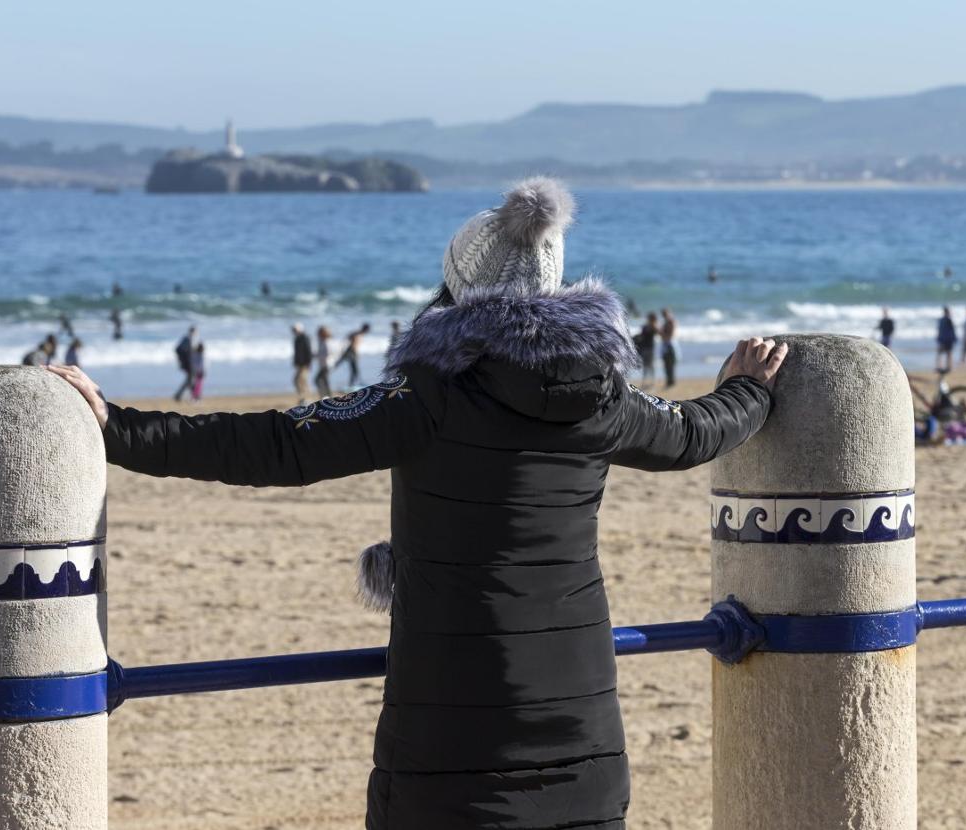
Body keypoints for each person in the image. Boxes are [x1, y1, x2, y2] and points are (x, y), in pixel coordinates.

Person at [48, 177, 785, 830]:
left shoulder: (428, 397)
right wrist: (750, 388)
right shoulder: (604, 399)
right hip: (581, 719)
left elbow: (276, 444)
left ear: (457, 292)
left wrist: (120, 428)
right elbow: (694, 432)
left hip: (450, 730)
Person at [335, 322, 370, 388]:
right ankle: (351, 385)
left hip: (349, 352)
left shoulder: (357, 333)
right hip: (351, 352)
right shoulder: (358, 334)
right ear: (365, 329)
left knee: (353, 370)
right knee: (354, 370)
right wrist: (356, 354)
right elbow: (353, 344)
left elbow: (347, 337)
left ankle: (351, 385)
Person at [633, 311, 659, 387]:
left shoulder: (652, 327)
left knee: (650, 366)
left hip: (649, 349)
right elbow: (642, 336)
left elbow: (658, 332)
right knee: (647, 366)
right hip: (647, 348)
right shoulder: (646, 327)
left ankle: (651, 382)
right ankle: (647, 382)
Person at [174, 326, 198, 401]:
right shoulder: (187, 339)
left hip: (188, 363)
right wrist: (184, 359)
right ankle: (191, 395)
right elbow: (178, 349)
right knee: (191, 379)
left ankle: (180, 395)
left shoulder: (189, 339)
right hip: (188, 363)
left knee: (190, 379)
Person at [292, 324, 313, 404]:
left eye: (295, 330)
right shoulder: (297, 339)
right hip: (299, 364)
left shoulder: (305, 338)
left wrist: (309, 363)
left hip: (304, 364)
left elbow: (308, 351)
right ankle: (303, 398)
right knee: (297, 381)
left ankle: (305, 398)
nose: (293, 332)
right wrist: (295, 362)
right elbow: (297, 353)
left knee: (302, 381)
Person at [659, 307, 678, 388]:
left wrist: (663, 335)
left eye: (665, 314)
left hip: (670, 344)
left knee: (671, 363)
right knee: (667, 364)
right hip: (666, 344)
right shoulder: (666, 322)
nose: (665, 316)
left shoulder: (671, 322)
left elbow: (671, 335)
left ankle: (671, 382)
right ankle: (669, 381)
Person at [936, 306, 957, 373]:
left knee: (941, 353)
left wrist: (939, 337)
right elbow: (952, 330)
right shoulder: (948, 319)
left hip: (943, 339)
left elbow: (940, 330)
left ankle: (940, 366)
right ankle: (948, 367)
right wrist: (954, 338)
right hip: (948, 339)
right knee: (948, 353)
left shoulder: (941, 320)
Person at [314, 326, 333, 397]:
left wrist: (318, 355)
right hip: (323, 364)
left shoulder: (326, 342)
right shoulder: (321, 341)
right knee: (324, 381)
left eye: (319, 333)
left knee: (318, 380)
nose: (317, 334)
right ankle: (327, 396)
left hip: (326, 365)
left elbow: (328, 353)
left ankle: (325, 396)